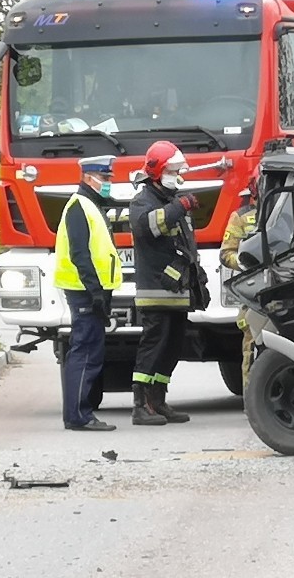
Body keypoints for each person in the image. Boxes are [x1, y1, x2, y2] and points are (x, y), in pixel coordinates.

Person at [129, 141, 210, 426]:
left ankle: (158, 400)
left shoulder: (171, 200)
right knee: (153, 346)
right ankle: (140, 406)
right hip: (156, 293)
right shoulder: (144, 201)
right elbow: (147, 227)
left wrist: (198, 277)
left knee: (172, 347)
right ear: (158, 171)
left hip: (176, 292)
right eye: (174, 170)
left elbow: (185, 245)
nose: (179, 176)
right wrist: (180, 206)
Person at [53, 155, 121, 431]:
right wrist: (95, 292)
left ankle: (78, 414)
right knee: (85, 351)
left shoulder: (90, 205)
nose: (108, 184)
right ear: (89, 177)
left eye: (108, 179)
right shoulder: (79, 206)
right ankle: (79, 415)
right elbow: (80, 254)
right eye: (105, 179)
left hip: (89, 290)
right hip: (83, 291)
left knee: (89, 350)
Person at [219, 170, 260, 393]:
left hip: (281, 288)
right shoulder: (242, 217)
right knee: (250, 348)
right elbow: (226, 254)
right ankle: (250, 398)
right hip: (253, 293)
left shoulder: (286, 211)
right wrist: (245, 263)